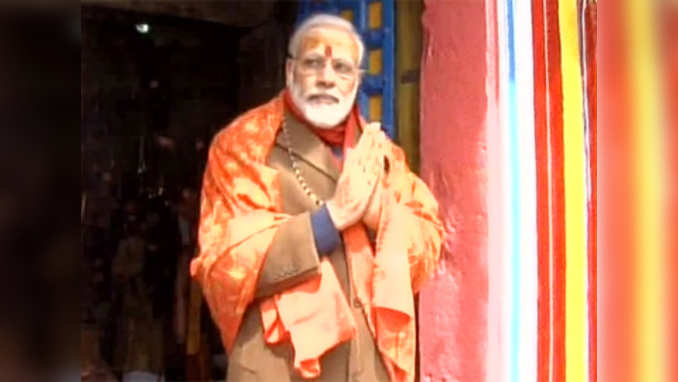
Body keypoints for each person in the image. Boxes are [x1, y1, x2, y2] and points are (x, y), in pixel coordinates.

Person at [190, 14, 444, 382]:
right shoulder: (244, 144)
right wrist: (331, 219)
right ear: (290, 71)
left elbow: (428, 243)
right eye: (313, 63)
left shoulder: (380, 153)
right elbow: (224, 262)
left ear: (357, 80)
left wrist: (379, 215)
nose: (327, 78)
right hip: (279, 368)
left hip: (369, 368)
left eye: (341, 68)